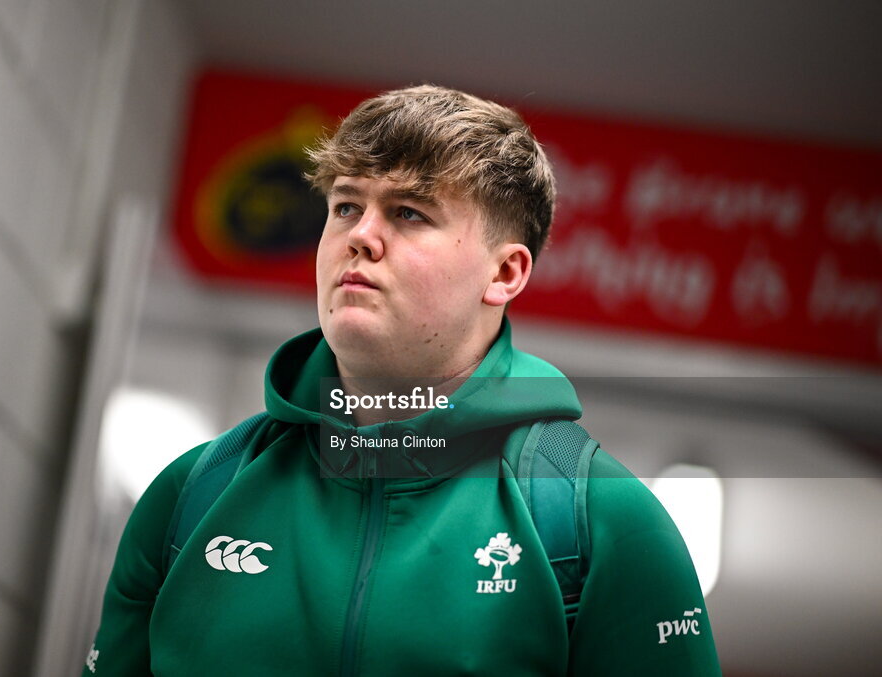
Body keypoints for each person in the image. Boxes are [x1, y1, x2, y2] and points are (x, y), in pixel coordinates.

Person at [84, 85, 721, 676]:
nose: (360, 236)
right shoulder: (193, 494)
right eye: (345, 206)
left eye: (410, 213)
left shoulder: (604, 523)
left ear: (504, 274)